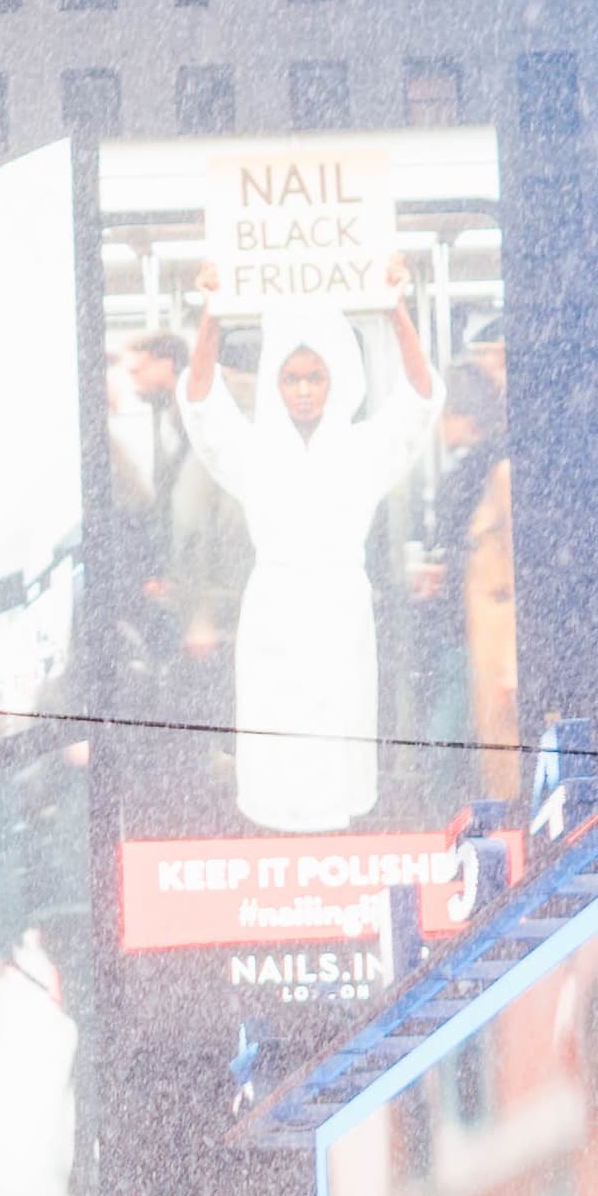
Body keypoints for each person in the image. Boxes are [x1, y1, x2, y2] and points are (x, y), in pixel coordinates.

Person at [179, 264, 436, 833]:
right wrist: (212, 315)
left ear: (334, 380)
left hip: (341, 611)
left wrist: (395, 308)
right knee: (274, 741)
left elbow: (419, 401)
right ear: (274, 382)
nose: (302, 390)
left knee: (339, 743)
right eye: (291, 378)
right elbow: (201, 405)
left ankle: (338, 849)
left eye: (314, 377)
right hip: (273, 611)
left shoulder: (363, 450)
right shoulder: (254, 452)